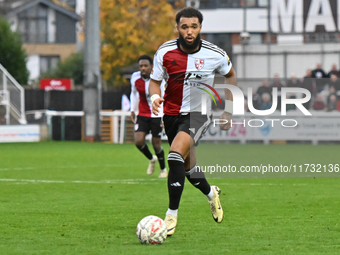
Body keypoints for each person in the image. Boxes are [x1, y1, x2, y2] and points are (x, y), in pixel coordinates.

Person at [149, 7, 237, 236]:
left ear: (200, 28)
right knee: (188, 169)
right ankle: (211, 194)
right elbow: (154, 81)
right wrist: (155, 97)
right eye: (184, 27)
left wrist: (228, 110)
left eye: (194, 26)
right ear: (177, 28)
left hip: (199, 114)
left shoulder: (215, 53)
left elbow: (231, 76)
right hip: (170, 114)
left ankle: (171, 215)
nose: (189, 31)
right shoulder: (165, 52)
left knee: (175, 155)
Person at [130, 55, 167, 178]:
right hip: (142, 114)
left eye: (146, 65)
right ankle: (152, 159)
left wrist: (164, 117)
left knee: (156, 144)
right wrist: (132, 110)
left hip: (157, 115)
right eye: (141, 66)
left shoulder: (158, 79)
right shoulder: (135, 78)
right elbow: (134, 93)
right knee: (138, 141)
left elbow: (164, 98)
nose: (143, 68)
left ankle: (163, 169)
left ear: (151, 66)